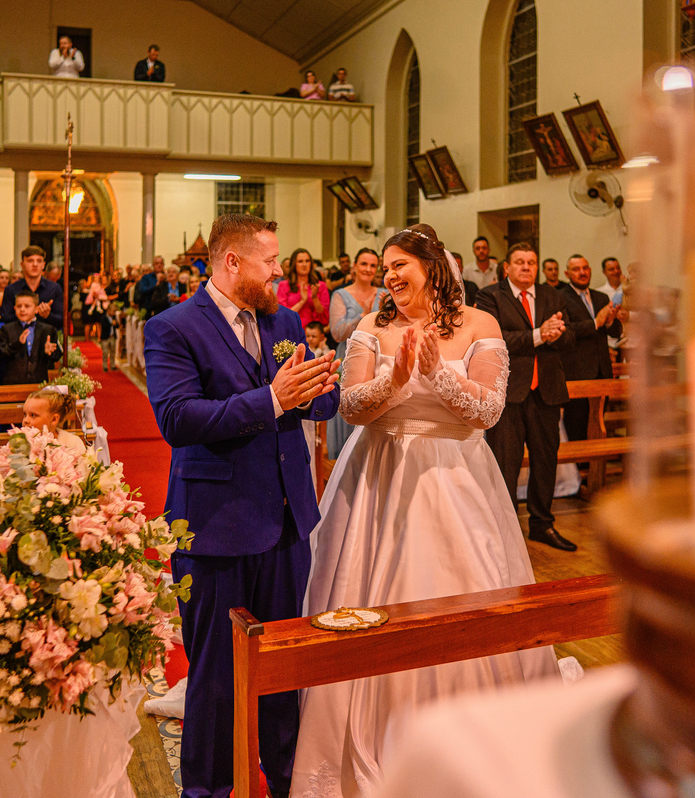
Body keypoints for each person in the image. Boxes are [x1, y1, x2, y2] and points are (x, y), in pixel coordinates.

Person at [291, 225, 558, 796]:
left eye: (398, 264)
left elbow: (487, 411)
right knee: (369, 597)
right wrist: (396, 377)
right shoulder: (371, 326)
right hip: (380, 476)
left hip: (457, 479)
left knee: (467, 593)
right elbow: (352, 407)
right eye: (384, 266)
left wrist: (437, 372)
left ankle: (476, 732)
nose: (389, 275)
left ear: (433, 267)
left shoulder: (480, 326)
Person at [143, 213, 341, 798]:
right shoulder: (174, 327)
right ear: (232, 262)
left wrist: (319, 392)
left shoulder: (282, 320)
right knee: (216, 678)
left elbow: (309, 406)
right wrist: (271, 400)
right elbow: (178, 419)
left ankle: (288, 781)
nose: (281, 272)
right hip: (216, 527)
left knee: (286, 668)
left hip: (285, 522)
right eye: (271, 261)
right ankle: (207, 791)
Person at [476, 242, 578, 551]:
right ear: (506, 267)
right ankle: (503, 529)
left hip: (545, 391)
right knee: (505, 464)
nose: (526, 267)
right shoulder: (490, 296)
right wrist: (539, 335)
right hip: (509, 394)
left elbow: (571, 338)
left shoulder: (553, 295)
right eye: (519, 262)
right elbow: (493, 340)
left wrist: (559, 334)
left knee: (545, 461)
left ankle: (542, 524)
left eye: (531, 262)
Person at [558, 255, 621, 456]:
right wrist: (596, 322)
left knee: (598, 423)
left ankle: (597, 468)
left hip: (602, 370)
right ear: (567, 274)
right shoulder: (560, 297)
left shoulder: (601, 298)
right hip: (576, 371)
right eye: (576, 269)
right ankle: (579, 473)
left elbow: (616, 331)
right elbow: (566, 331)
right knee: (577, 424)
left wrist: (610, 321)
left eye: (585, 268)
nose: (582, 272)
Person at [326, 247, 385, 458]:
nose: (368, 269)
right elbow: (338, 332)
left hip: (378, 359)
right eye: (364, 264)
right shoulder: (341, 295)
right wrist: (364, 316)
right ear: (354, 267)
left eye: (372, 265)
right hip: (348, 358)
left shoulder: (384, 294)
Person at [0, 290, 61, 384]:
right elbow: (0, 355)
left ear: (36, 309)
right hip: (12, 384)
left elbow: (57, 356)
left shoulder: (48, 329)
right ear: (14, 308)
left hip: (38, 383)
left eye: (27, 306)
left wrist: (50, 352)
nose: (22, 309)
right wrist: (17, 344)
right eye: (19, 306)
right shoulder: (6, 329)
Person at [0, 245, 64, 328]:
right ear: (22, 264)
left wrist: (47, 315)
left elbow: (61, 320)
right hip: (18, 338)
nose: (35, 264)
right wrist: (28, 313)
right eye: (30, 261)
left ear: (43, 265)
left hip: (46, 337)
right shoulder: (11, 289)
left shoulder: (54, 288)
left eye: (39, 261)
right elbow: (5, 319)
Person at [278, 248, 330, 327]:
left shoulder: (320, 286)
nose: (304, 264)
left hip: (313, 334)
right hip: (292, 331)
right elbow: (283, 316)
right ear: (294, 264)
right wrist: (302, 301)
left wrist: (314, 297)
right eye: (300, 261)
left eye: (307, 261)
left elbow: (324, 317)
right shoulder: (284, 285)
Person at [22, 387, 84, 454]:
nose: (25, 420)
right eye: (25, 414)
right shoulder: (19, 443)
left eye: (33, 415)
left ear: (54, 419)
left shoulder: (72, 443)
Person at [98, 302, 118, 372]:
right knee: (105, 352)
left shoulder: (114, 317)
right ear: (108, 310)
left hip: (112, 336)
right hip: (105, 337)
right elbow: (103, 326)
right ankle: (105, 366)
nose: (113, 313)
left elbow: (117, 325)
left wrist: (116, 324)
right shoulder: (104, 317)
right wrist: (111, 323)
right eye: (113, 311)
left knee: (113, 352)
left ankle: (112, 365)